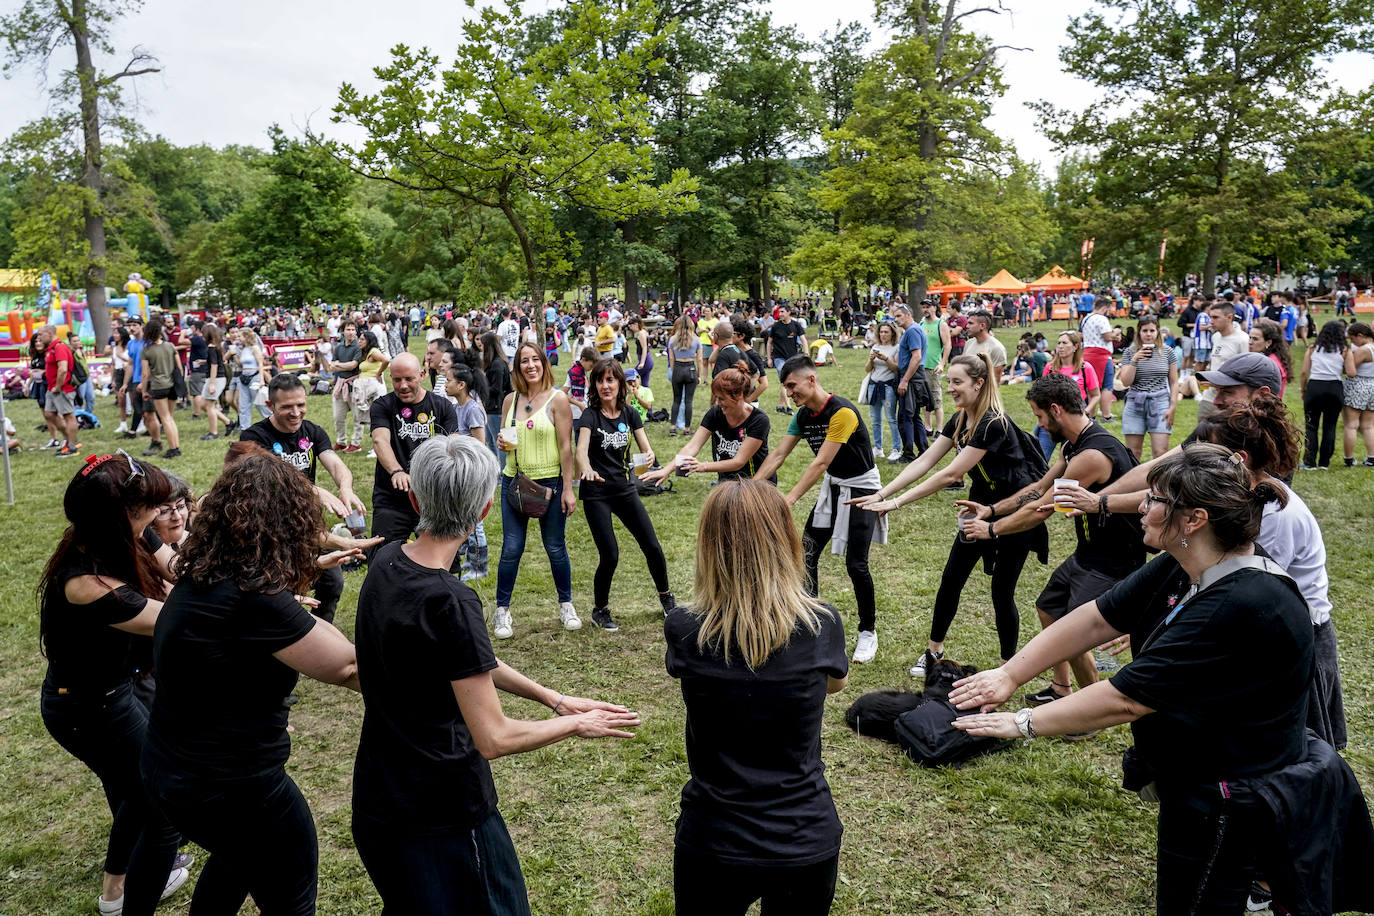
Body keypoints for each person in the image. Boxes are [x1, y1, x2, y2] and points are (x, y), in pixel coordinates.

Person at [948, 444, 1362, 916]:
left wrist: (1022, 722)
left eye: (1155, 499)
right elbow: (1097, 617)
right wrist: (1008, 674)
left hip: (1233, 796)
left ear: (1194, 519)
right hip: (1203, 775)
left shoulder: (1237, 602)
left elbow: (1127, 699)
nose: (1141, 506)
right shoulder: (1185, 563)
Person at [350, 435, 638, 913]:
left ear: (416, 498)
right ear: (484, 512)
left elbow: (466, 661)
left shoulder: (387, 562)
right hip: (444, 816)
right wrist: (576, 724)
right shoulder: (451, 600)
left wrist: (554, 699)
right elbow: (494, 738)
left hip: (380, 800)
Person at [141, 454, 363, 915]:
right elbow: (346, 667)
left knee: (238, 859)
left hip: (174, 768)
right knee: (290, 892)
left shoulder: (203, 573)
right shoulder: (251, 596)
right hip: (232, 784)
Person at [666, 479, 848, 916]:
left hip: (714, 837)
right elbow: (834, 685)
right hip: (804, 835)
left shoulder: (684, 629)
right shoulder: (822, 625)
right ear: (785, 541)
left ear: (710, 547)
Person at [39, 453, 188, 915]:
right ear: (122, 511)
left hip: (112, 692)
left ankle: (127, 878)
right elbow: (179, 620)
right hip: (86, 707)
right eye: (152, 505)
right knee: (158, 797)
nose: (162, 515)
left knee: (136, 788)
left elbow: (179, 573)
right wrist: (259, 608)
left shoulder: (125, 531)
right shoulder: (86, 584)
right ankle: (118, 894)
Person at [851, 353, 1048, 675]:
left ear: (979, 383)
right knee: (951, 579)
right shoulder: (959, 420)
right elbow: (925, 461)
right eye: (949, 381)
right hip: (977, 506)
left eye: (957, 382)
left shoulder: (992, 422)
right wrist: (883, 493)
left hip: (1013, 509)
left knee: (1002, 591)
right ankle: (933, 653)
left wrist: (898, 504)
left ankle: (1006, 667)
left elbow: (948, 475)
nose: (951, 388)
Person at [956, 372, 1143, 711]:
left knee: (1073, 635)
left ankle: (1089, 711)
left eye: (1040, 416)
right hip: (1089, 553)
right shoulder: (1074, 445)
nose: (1038, 424)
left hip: (1114, 560)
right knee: (1048, 608)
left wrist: (993, 530)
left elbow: (1042, 510)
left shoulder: (1093, 454)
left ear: (1056, 410)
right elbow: (1040, 488)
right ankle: (1061, 688)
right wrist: (991, 509)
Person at [1193, 398, 1346, 750]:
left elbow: (1249, 589)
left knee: (1298, 755)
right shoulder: (1243, 500)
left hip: (1297, 642)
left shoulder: (1275, 514)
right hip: (1266, 633)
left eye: (1206, 455)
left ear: (1239, 460)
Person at [753, 355, 884, 664]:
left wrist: (790, 499)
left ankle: (868, 632)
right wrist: (751, 489)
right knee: (807, 553)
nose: (789, 392)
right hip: (835, 487)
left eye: (792, 385)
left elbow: (821, 462)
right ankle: (810, 622)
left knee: (856, 564)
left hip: (862, 490)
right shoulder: (802, 416)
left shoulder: (843, 413)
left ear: (812, 379)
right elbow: (779, 453)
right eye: (785, 387)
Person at [242, 373, 372, 622]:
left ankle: (320, 630)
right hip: (269, 529)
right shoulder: (254, 438)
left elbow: (335, 464)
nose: (296, 413)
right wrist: (315, 490)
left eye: (300, 405)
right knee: (277, 590)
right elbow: (273, 482)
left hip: (305, 526)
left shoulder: (311, 431)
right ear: (270, 406)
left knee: (331, 583)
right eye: (287, 407)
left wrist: (345, 487)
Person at [574, 359, 675, 630]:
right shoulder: (589, 416)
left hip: (624, 489)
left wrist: (651, 455)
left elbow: (645, 446)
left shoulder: (629, 414)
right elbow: (580, 451)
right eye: (600, 380)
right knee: (610, 555)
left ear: (620, 383)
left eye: (611, 380)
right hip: (596, 493)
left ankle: (666, 598)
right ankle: (600, 610)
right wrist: (585, 469)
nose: (606, 386)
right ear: (594, 384)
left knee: (652, 546)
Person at [494, 343, 579, 639]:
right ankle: (502, 610)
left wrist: (569, 489)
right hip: (515, 483)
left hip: (551, 485)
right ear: (517, 368)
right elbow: (504, 440)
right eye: (523, 361)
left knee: (555, 547)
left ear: (544, 363)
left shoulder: (558, 400)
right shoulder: (510, 400)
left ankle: (566, 604)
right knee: (511, 548)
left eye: (535, 360)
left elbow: (566, 447)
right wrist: (501, 445)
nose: (530, 365)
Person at [369, 354, 460, 558]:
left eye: (409, 379)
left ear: (422, 375)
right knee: (382, 559)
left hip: (433, 500)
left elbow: (453, 447)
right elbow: (380, 440)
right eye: (397, 379)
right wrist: (397, 471)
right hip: (391, 499)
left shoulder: (443, 407)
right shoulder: (382, 406)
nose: (403, 386)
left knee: (441, 561)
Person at [648, 367, 773, 484]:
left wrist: (703, 466)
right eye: (716, 398)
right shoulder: (716, 413)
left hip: (756, 483)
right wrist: (666, 470)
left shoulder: (758, 420)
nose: (717, 403)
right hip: (727, 484)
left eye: (722, 399)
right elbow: (692, 447)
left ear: (739, 395)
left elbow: (738, 461)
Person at [1117, 316, 1179, 461]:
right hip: (1134, 403)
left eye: (1152, 330)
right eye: (1145, 330)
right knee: (1134, 453)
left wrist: (1173, 406)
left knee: (1161, 452)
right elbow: (1126, 382)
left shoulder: (1168, 352)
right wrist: (1135, 360)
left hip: (1160, 403)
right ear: (1139, 332)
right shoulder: (1130, 352)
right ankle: (1135, 483)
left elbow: (1174, 382)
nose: (1148, 334)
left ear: (1158, 332)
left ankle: (1158, 484)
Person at [1300, 320, 1347, 470]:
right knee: (1330, 426)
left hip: (1315, 386)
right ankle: (1324, 462)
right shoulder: (1344, 350)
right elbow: (1352, 371)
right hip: (1334, 387)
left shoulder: (1313, 348)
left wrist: (1303, 389)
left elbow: (1303, 372)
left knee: (1311, 426)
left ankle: (1309, 461)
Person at [1196, 300, 1248, 422]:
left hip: (1229, 401)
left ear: (1229, 317)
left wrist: (1219, 383)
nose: (1211, 321)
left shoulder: (1242, 340)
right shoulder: (1216, 337)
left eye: (1215, 317)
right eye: (1210, 317)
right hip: (1209, 397)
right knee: (1201, 435)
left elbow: (1245, 374)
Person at [891, 302, 931, 462]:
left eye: (899, 316)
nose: (897, 319)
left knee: (905, 417)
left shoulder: (913, 330)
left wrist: (905, 380)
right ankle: (924, 450)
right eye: (895, 317)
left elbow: (917, 357)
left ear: (909, 315)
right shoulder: (912, 330)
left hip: (912, 377)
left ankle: (908, 454)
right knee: (913, 416)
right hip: (913, 376)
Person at [36, 325, 83, 457]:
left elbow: (63, 369)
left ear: (49, 333)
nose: (38, 338)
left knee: (69, 415)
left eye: (41, 334)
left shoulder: (60, 347)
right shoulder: (50, 348)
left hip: (62, 388)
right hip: (52, 388)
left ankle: (72, 447)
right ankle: (69, 439)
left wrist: (58, 386)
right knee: (49, 414)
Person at [139, 319, 182, 459]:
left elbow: (145, 374)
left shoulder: (147, 351)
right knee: (170, 418)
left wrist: (144, 390)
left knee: (165, 419)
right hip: (172, 385)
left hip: (159, 387)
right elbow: (179, 367)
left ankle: (172, 449)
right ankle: (176, 447)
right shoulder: (170, 346)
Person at [865, 321, 901, 460]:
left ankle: (896, 448)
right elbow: (868, 369)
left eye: (886, 332)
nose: (883, 334)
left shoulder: (896, 348)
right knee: (875, 418)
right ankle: (878, 447)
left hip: (888, 386)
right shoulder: (875, 347)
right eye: (881, 332)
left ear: (892, 333)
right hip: (873, 385)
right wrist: (871, 360)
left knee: (891, 418)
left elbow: (896, 368)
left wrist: (885, 358)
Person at [352, 330, 392, 456]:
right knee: (371, 417)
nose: (359, 341)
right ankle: (376, 446)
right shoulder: (366, 353)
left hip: (375, 388)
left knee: (376, 417)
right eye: (359, 339)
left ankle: (379, 448)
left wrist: (379, 373)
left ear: (369, 340)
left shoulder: (374, 351)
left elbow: (386, 360)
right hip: (367, 388)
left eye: (362, 339)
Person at [1341, 321, 1374, 467]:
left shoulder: (1363, 350)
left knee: (1351, 425)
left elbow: (1349, 368)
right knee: (1368, 425)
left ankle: (1349, 458)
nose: (1352, 342)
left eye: (1353, 339)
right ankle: (1371, 457)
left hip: (1358, 385)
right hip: (1372, 385)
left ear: (1360, 336)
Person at [764, 304, 808, 415]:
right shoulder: (776, 326)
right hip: (779, 357)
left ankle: (780, 405)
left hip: (792, 358)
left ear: (788, 312)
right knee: (785, 381)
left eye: (782, 312)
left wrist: (806, 354)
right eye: (780, 312)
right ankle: (788, 407)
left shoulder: (796, 325)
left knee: (785, 381)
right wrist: (769, 358)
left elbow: (804, 340)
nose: (780, 314)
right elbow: (769, 343)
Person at [667, 314, 703, 436]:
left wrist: (673, 371)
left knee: (676, 400)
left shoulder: (672, 340)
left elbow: (671, 358)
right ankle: (687, 429)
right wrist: (699, 375)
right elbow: (699, 360)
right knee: (688, 401)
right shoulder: (696, 340)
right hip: (690, 369)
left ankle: (673, 427)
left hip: (677, 368)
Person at [482, 331, 514, 465]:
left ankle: (503, 471)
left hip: (497, 408)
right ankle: (495, 468)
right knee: (490, 441)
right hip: (491, 407)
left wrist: (480, 387)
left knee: (500, 442)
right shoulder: (495, 363)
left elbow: (497, 388)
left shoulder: (497, 365)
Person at [330, 321, 363, 451]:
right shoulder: (338, 347)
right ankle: (341, 441)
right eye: (348, 329)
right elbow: (332, 366)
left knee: (357, 417)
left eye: (353, 329)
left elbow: (353, 365)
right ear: (342, 331)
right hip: (340, 385)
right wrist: (339, 365)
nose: (350, 332)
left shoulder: (358, 347)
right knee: (338, 417)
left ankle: (356, 443)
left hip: (355, 385)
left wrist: (339, 364)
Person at [1248, 317, 1291, 397]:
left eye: (1255, 339)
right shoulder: (1272, 357)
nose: (1250, 342)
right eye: (1249, 337)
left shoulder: (1269, 363)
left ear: (1268, 342)